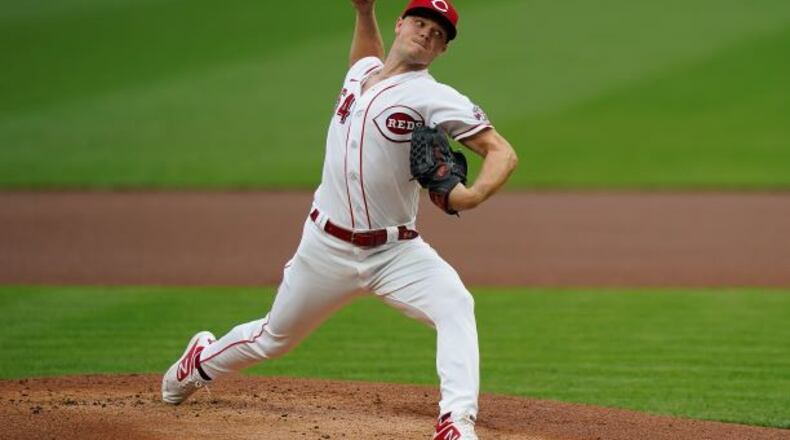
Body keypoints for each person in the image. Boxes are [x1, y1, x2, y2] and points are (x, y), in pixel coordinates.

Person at [161, 0, 518, 438]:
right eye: (421, 23)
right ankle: (198, 363)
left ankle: (455, 422)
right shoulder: (359, 75)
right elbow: (365, 57)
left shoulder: (435, 97)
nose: (427, 33)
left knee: (456, 304)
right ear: (400, 24)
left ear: (442, 50)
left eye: (438, 34)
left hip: (395, 251)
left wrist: (474, 194)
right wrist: (364, 13)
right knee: (273, 338)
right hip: (324, 248)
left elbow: (502, 151)